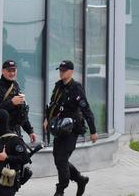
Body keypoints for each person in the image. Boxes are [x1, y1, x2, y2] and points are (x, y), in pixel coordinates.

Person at [43, 60, 98, 196]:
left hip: (72, 129)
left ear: (71, 72)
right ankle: (80, 179)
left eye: (64, 70)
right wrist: (47, 118)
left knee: (61, 159)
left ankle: (60, 190)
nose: (61, 73)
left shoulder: (76, 88)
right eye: (60, 70)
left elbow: (86, 110)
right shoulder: (58, 86)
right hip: (59, 128)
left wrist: (93, 131)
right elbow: (53, 104)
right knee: (58, 157)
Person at [0, 59, 38, 144]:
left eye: (14, 70)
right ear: (2, 71)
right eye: (9, 70)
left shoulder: (16, 86)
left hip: (15, 132)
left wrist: (30, 131)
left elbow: (22, 112)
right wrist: (11, 103)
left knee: (20, 156)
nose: (12, 73)